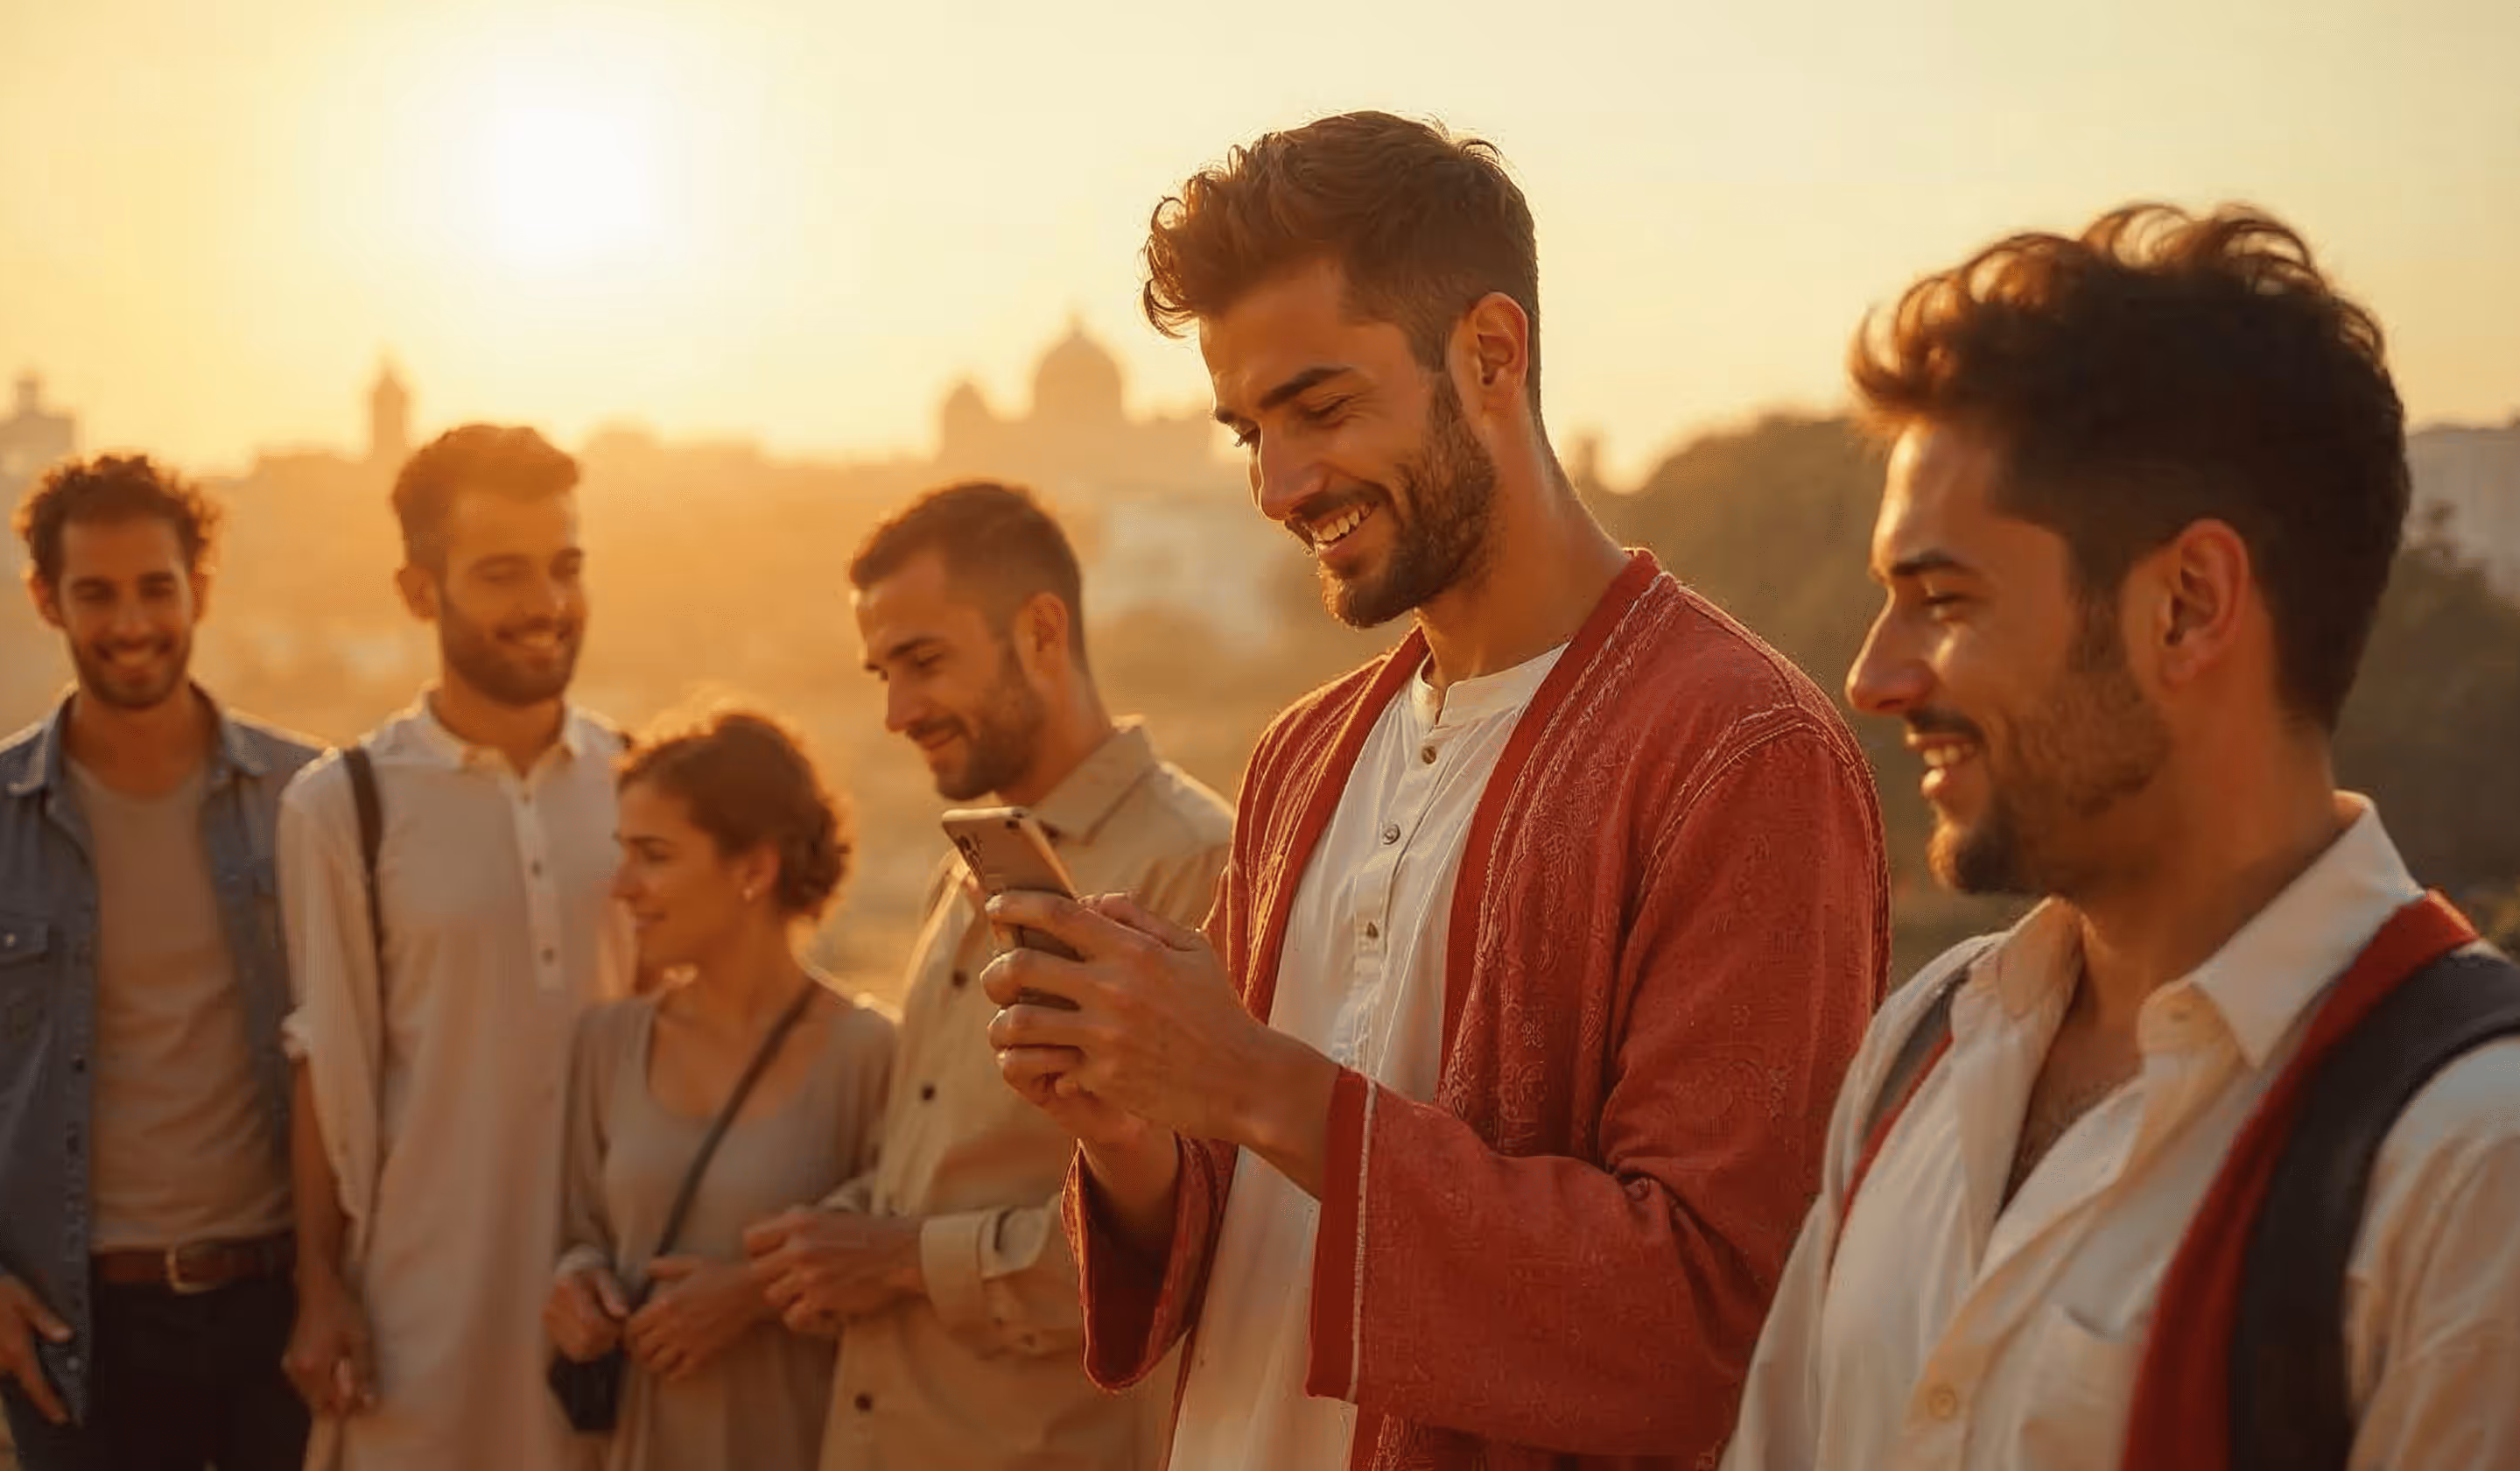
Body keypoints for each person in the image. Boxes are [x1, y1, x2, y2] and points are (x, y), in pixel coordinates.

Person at [1718, 203, 2520, 1471]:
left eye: (1943, 601)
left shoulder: (2509, 1184)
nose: (1874, 676)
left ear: (2188, 607)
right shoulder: (1918, 1055)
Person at [977, 111, 1893, 1471]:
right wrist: (1131, 1124)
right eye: (1246, 433)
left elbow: (1720, 1328)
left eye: (1323, 409)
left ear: (1491, 355)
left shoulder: (1736, 752)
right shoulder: (1304, 753)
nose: (1281, 487)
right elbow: (1252, 1231)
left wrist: (1249, 1081)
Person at [738, 480, 1234, 1471]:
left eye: (922, 663)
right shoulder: (969, 862)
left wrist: (899, 1262)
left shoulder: (1194, 867)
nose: (895, 711)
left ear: (1042, 633)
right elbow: (942, 1166)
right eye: (881, 672)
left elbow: (1189, 1243)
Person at [0, 454, 320, 1469]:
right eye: (96, 594)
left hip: (283, 1311)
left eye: (156, 589)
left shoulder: (311, 800)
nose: (131, 624)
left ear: (199, 590)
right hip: (78, 1331)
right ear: (47, 601)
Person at [276, 423, 635, 1471]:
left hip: (608, 1304)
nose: (547, 604)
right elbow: (324, 1065)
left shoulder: (642, 784)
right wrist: (319, 1288)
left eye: (566, 568)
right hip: (416, 1316)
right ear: (417, 589)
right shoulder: (342, 806)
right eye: (502, 574)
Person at [545, 706, 898, 1470]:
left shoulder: (873, 1056)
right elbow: (575, 1234)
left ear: (754, 869)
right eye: (624, 854)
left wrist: (750, 1296)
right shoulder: (606, 1043)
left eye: (654, 856)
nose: (622, 886)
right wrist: (575, 1289)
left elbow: (897, 1263)